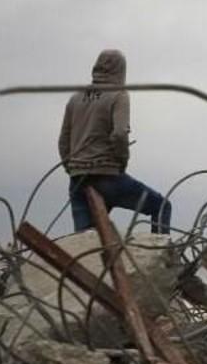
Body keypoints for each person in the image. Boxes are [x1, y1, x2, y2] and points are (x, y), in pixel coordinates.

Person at [58, 49, 172, 234]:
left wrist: (72, 169)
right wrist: (121, 162)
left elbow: (63, 141)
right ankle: (160, 252)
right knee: (161, 207)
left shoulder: (75, 98)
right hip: (108, 176)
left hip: (78, 181)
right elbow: (119, 134)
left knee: (87, 241)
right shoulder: (119, 95)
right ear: (121, 70)